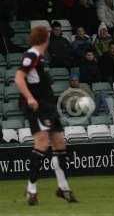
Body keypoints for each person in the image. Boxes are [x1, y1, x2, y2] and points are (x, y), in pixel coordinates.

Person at [14, 26, 78, 206]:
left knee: (59, 144)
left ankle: (63, 188)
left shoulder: (39, 57)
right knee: (42, 143)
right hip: (38, 107)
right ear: (46, 39)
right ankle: (31, 189)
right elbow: (18, 78)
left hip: (48, 106)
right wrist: (30, 98)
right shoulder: (31, 55)